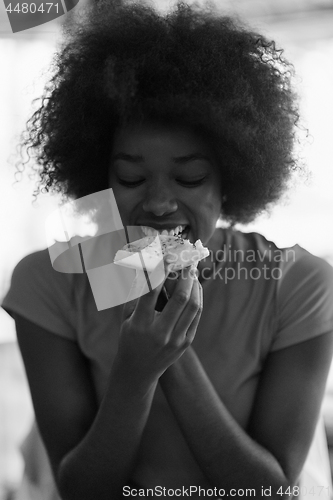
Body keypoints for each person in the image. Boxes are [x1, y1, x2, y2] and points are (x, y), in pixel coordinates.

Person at [2, 1, 333, 499]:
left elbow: (270, 492)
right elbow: (80, 490)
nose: (157, 203)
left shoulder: (299, 283)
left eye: (190, 177)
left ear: (231, 179)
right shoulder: (48, 280)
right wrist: (136, 373)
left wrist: (170, 355)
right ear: (99, 176)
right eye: (131, 177)